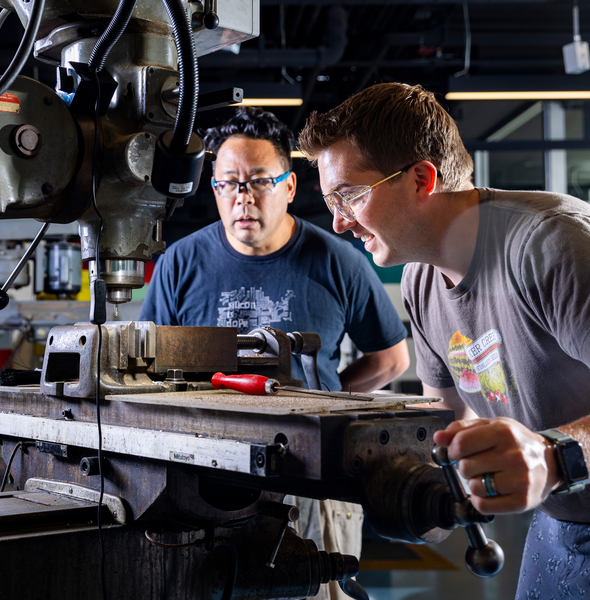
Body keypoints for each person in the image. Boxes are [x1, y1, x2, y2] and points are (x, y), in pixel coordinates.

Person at [298, 82, 590, 597]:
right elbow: (447, 424)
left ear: (422, 178)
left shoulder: (552, 242)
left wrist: (553, 458)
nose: (339, 221)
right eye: (331, 200)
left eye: (350, 195)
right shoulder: (421, 282)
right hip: (568, 519)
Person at [140, 106, 410, 599]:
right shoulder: (180, 262)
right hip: (203, 472)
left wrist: (327, 399)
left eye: (259, 181)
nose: (243, 197)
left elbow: (392, 360)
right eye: (229, 183)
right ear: (214, 189)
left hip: (311, 475)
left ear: (289, 186)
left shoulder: (339, 261)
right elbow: (147, 364)